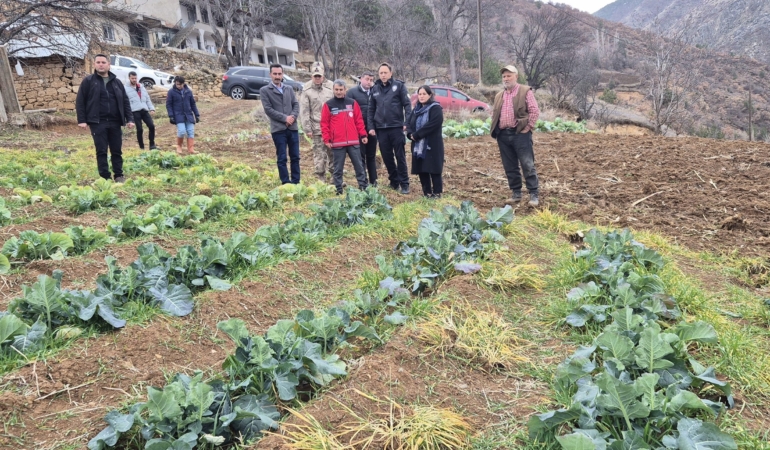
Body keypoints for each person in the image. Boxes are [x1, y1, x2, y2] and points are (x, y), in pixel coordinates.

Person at [76, 53, 135, 183]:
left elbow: (125, 101)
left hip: (115, 121)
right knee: (101, 150)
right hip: (98, 122)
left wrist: (130, 119)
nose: (101, 65)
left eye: (103, 62)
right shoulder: (88, 81)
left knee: (116, 150)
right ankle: (105, 177)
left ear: (109, 65)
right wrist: (82, 120)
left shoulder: (117, 82)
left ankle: (118, 175)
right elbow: (80, 101)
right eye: (98, 62)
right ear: (94, 64)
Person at [490, 64, 541, 206]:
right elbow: (495, 114)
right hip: (503, 135)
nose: (506, 79)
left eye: (509, 76)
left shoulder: (525, 91)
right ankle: (516, 193)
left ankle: (533, 194)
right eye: (504, 76)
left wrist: (528, 127)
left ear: (516, 77)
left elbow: (534, 111)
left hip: (520, 134)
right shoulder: (499, 95)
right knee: (510, 166)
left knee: (527, 164)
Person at [367, 63, 412, 194]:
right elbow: (371, 109)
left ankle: (404, 183)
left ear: (391, 73)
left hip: (396, 127)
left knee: (400, 156)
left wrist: (407, 122)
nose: (383, 75)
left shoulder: (399, 86)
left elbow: (407, 105)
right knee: (387, 157)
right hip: (381, 129)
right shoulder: (375, 89)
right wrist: (371, 126)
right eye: (381, 73)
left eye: (385, 72)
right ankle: (394, 181)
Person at [320, 80, 369, 194]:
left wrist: (363, 134)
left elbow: (359, 120)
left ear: (345, 90)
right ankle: (339, 190)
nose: (339, 92)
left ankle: (363, 187)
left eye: (341, 90)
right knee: (338, 168)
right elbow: (324, 123)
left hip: (353, 141)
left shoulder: (352, 103)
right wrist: (326, 139)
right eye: (336, 89)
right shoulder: (328, 105)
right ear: (333, 90)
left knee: (359, 166)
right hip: (337, 142)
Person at [260, 63, 301, 184]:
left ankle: (296, 181)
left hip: (292, 128)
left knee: (295, 156)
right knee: (282, 157)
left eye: (279, 74)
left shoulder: (288, 89)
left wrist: (292, 117)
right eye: (275, 74)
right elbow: (268, 109)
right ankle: (285, 182)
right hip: (278, 129)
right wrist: (285, 118)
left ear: (282, 74)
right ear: (270, 74)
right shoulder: (265, 91)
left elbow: (296, 104)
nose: (277, 76)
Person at [406, 85, 444, 198]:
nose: (421, 96)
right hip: (418, 145)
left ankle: (437, 192)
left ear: (430, 95)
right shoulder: (416, 109)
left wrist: (417, 135)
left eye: (424, 94)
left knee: (433, 168)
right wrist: (410, 134)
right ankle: (426, 192)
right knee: (422, 168)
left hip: (432, 144)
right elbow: (409, 123)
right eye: (420, 94)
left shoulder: (435, 108)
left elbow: (432, 125)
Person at [300, 62, 334, 183]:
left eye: (319, 76)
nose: (317, 78)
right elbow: (304, 111)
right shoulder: (307, 91)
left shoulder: (330, 89)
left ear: (323, 77)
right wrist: (307, 128)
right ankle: (321, 177)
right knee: (319, 154)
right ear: (312, 77)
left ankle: (335, 176)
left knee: (333, 153)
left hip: (330, 128)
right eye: (315, 76)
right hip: (316, 128)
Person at [346, 71, 378, 186]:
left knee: (371, 155)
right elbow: (348, 111)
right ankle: (363, 181)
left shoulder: (375, 92)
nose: (369, 82)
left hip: (373, 128)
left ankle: (374, 181)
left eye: (371, 80)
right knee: (360, 156)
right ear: (361, 79)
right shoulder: (352, 93)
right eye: (367, 79)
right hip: (358, 129)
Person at [166, 75, 200, 155]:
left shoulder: (188, 91)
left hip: (188, 115)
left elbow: (193, 104)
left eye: (180, 84)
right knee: (181, 131)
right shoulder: (171, 92)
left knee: (190, 131)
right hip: (178, 115)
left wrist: (196, 114)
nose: (179, 86)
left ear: (183, 83)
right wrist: (171, 115)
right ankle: (179, 146)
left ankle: (191, 149)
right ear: (175, 83)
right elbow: (168, 105)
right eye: (177, 84)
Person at [125, 71, 157, 150]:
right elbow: (125, 102)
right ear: (129, 78)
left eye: (135, 78)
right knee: (139, 129)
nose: (134, 80)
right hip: (134, 111)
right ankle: (141, 147)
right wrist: (127, 116)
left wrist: (151, 108)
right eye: (132, 78)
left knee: (151, 126)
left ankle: (152, 145)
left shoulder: (141, 87)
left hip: (144, 109)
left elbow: (147, 98)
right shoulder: (125, 88)